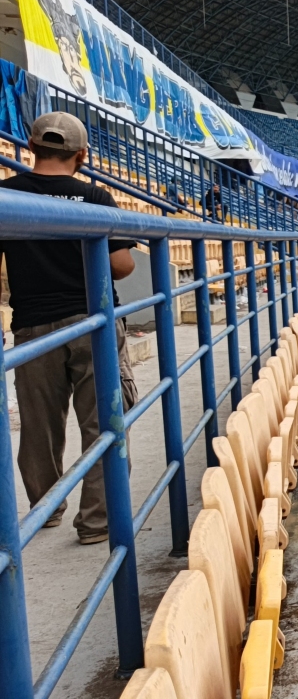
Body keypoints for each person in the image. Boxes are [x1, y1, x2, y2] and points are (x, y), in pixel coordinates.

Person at [0, 111, 138, 545]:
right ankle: (97, 522)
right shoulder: (95, 196)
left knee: (39, 425)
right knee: (104, 424)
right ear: (81, 154)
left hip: (32, 326)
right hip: (91, 322)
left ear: (31, 147)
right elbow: (122, 265)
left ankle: (46, 509)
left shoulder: (6, 195)